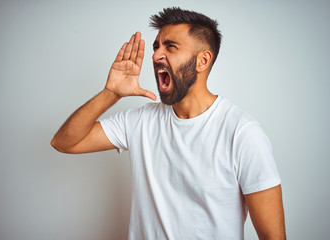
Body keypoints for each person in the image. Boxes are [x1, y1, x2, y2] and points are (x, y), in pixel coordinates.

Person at [51, 7, 286, 240]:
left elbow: (272, 235)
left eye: (170, 47)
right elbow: (64, 142)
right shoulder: (140, 121)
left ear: (202, 60)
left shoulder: (242, 133)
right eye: (156, 47)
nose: (156, 56)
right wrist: (111, 93)